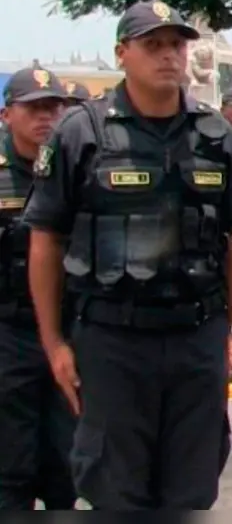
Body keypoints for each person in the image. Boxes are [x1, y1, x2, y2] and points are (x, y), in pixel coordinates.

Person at [23, 0, 232, 509]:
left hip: (196, 337)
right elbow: (46, 239)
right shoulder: (81, 133)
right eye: (153, 45)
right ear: (122, 53)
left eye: (176, 45)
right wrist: (54, 343)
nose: (169, 55)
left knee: (191, 488)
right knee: (117, 489)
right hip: (113, 341)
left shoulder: (215, 135)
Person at [0, 67, 76, 510]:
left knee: (67, 462)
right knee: (13, 462)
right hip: (10, 333)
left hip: (68, 331)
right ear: (7, 115)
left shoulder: (76, 169)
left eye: (53, 108)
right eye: (34, 108)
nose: (46, 118)